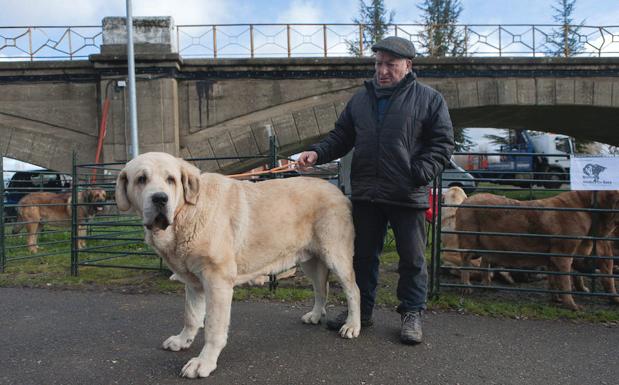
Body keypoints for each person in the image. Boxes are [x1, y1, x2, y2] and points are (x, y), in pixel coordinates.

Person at [297, 36, 454, 344]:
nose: (382, 71)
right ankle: (362, 311)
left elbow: (442, 144)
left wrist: (419, 172)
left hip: (407, 194)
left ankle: (411, 314)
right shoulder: (361, 100)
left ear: (407, 65)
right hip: (367, 193)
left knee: (412, 259)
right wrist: (317, 153)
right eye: (378, 64)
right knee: (364, 257)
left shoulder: (429, 99)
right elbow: (341, 136)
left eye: (390, 65)